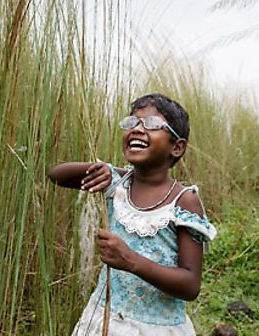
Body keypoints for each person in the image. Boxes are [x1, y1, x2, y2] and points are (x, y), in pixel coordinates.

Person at [48, 93, 217, 335]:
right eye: (132, 123)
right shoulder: (117, 185)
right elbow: (56, 175)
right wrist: (102, 169)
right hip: (104, 319)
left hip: (154, 328)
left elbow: (190, 285)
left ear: (177, 147)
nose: (137, 129)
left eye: (152, 125)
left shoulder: (184, 201)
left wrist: (130, 260)